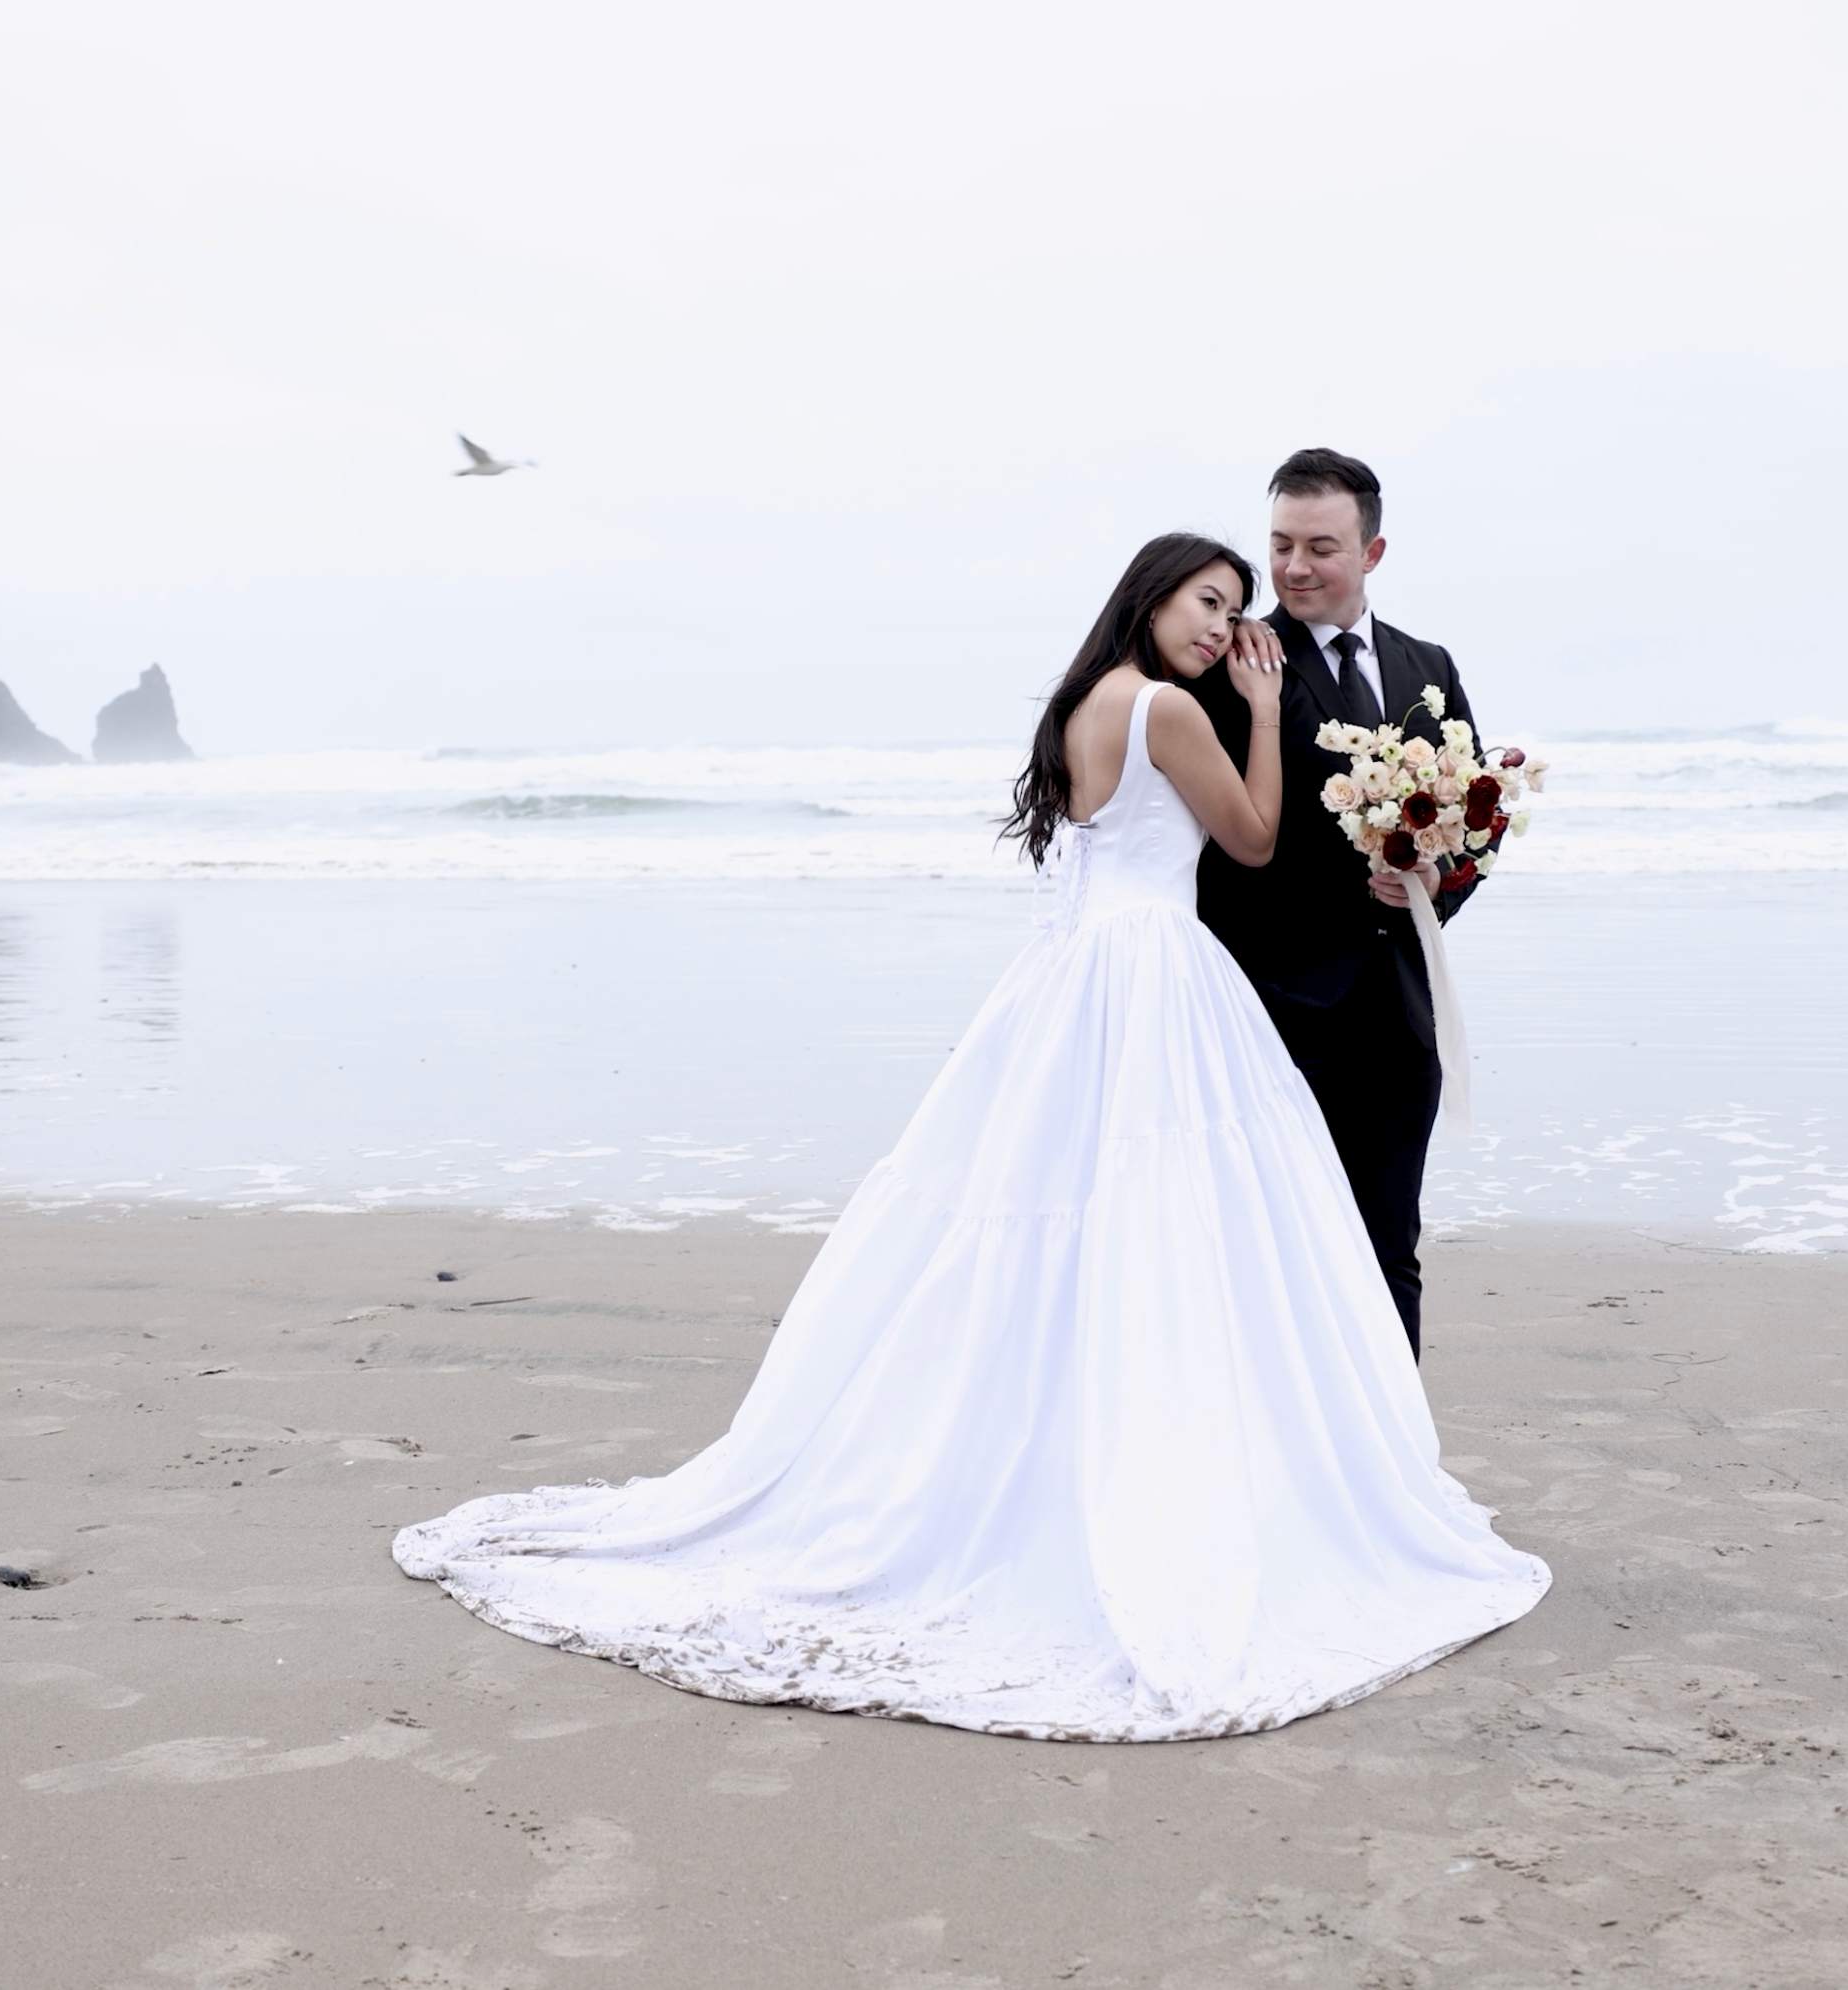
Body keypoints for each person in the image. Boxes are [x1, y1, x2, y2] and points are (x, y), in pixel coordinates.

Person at [391, 532, 1548, 1742]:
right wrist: (1261, 709)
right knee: (1168, 1222)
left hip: (1071, 977)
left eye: (1231, 611)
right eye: (1208, 602)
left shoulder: (1083, 702)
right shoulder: (1167, 710)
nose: (1221, 629)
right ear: (1150, 597)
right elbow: (1254, 838)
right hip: (1153, 975)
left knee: (1053, 1220)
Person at [1194, 449, 1486, 1360]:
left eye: (1320, 547)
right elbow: (1205, 838)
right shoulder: (1236, 661)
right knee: (1275, 1249)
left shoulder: (1427, 665)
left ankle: (1394, 1437)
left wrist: (1433, 882)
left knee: (1389, 1243)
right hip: (1274, 1009)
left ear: (1372, 552)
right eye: (1281, 544)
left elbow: (1476, 818)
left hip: (1399, 1009)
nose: (1293, 568)